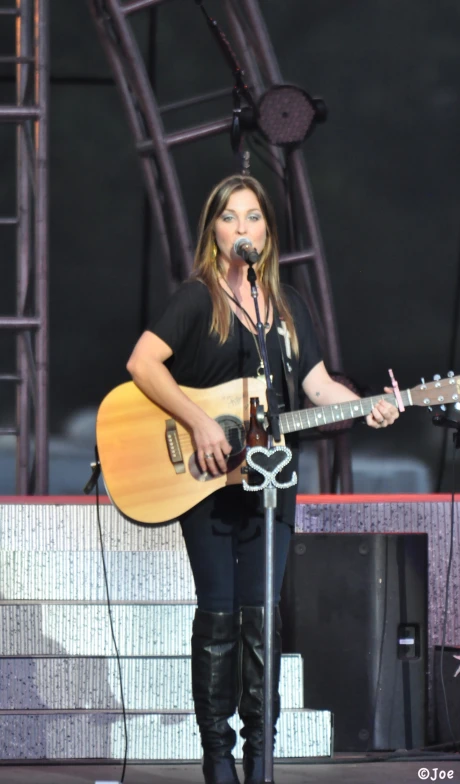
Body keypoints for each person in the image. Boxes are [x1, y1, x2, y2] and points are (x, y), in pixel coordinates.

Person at [126, 174, 399, 784]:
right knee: (219, 615)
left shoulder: (289, 307)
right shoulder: (197, 299)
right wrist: (198, 421)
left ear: (268, 235)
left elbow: (318, 386)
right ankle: (217, 754)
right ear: (214, 231)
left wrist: (365, 406)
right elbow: (142, 362)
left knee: (262, 617)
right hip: (207, 486)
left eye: (253, 218)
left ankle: (260, 757)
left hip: (272, 483)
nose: (242, 228)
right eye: (230, 218)